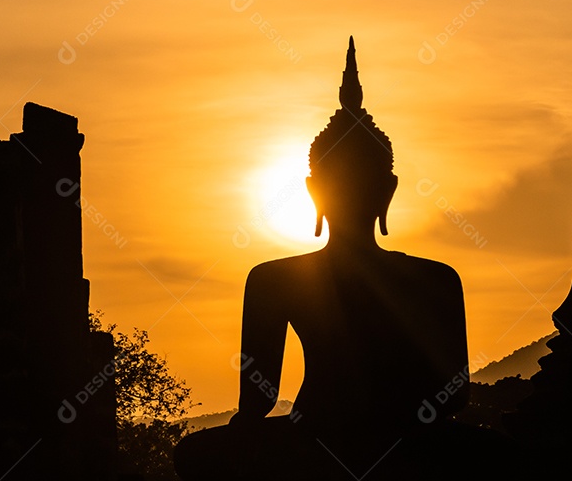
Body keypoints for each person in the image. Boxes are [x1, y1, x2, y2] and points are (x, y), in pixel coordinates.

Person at [175, 38, 479, 481]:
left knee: (196, 454)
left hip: (316, 437)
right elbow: (453, 396)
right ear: (388, 190)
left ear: (314, 192)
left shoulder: (274, 279)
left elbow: (257, 401)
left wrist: (245, 441)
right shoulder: (435, 278)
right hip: (403, 442)